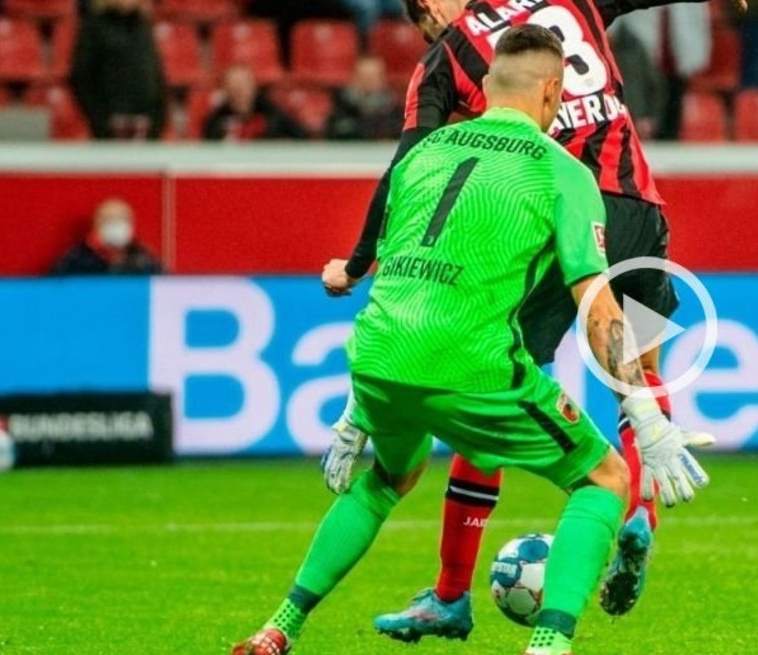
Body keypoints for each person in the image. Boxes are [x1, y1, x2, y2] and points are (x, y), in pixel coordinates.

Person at [230, 26, 711, 655]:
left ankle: (280, 627)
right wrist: (644, 413)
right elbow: (596, 303)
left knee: (383, 482)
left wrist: (356, 411)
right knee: (605, 478)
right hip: (471, 365)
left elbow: (402, 280)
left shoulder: (421, 156)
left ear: (484, 87)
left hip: (379, 356)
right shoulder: (561, 171)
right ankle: (548, 644)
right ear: (554, 92)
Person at [611, 5, 712, 140]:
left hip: (677, 62)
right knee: (641, 113)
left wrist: (697, 56)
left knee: (672, 118)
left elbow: (699, 22)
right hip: (640, 59)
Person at [69, 0, 166, 140]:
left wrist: (157, 121)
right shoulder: (94, 26)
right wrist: (100, 121)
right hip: (110, 127)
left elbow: (156, 75)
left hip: (146, 126)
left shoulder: (143, 25)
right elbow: (81, 77)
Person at [51, 198, 162, 275]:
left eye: (122, 219)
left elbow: (166, 287)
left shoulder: (143, 259)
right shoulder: (75, 260)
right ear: (96, 225)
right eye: (109, 219)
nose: (116, 224)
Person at [202, 65, 310, 142]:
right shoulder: (216, 120)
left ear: (253, 86)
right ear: (226, 89)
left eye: (244, 83)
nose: (240, 89)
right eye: (235, 85)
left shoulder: (272, 112)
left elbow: (301, 136)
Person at [324, 56, 403, 141]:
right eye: (364, 77)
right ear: (354, 78)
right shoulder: (339, 107)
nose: (369, 81)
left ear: (383, 79)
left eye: (373, 77)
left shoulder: (394, 112)